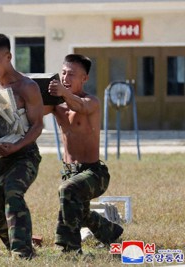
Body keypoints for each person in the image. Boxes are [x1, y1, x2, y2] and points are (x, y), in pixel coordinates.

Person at [43, 54, 123, 255]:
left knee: (68, 190)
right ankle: (110, 232)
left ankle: (69, 249)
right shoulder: (56, 105)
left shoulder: (91, 101)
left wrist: (63, 93)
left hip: (94, 174)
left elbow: (80, 106)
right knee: (78, 209)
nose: (65, 78)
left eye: (71, 74)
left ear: (84, 78)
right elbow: (33, 111)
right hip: (69, 171)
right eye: (63, 73)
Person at [0, 34, 44, 259]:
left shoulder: (27, 86)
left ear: (8, 57)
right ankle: (21, 242)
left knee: (13, 193)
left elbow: (37, 126)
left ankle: (22, 254)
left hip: (24, 155)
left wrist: (16, 147)